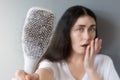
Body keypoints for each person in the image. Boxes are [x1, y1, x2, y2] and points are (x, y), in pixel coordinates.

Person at [12, 5, 120, 80]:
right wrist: (35, 77)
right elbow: (44, 73)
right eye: (80, 29)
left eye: (92, 29)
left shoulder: (105, 62)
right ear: (67, 33)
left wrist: (90, 68)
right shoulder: (52, 64)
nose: (87, 37)